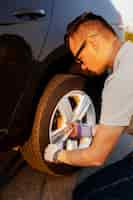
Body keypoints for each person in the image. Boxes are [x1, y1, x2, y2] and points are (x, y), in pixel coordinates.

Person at [44, 12, 133, 199]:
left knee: (83, 195)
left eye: (79, 58)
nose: (82, 66)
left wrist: (57, 155)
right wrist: (83, 131)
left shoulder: (119, 81)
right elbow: (122, 124)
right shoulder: (129, 55)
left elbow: (96, 156)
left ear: (92, 42)